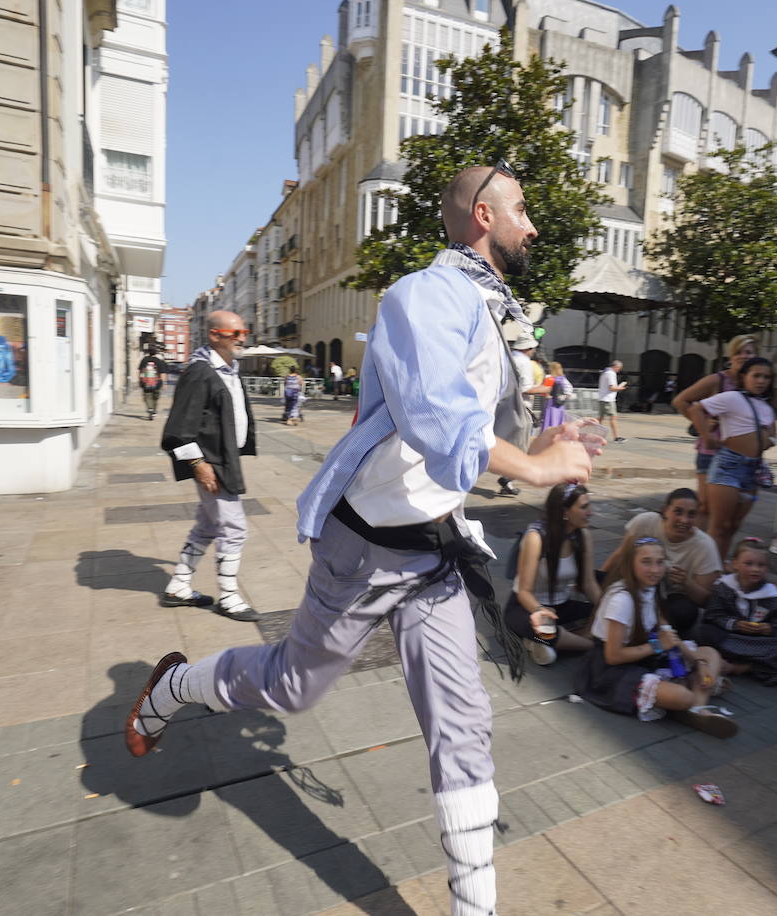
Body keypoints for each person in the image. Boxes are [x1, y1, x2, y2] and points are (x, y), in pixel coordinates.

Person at [124, 164, 594, 915]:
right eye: (523, 209)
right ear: (482, 214)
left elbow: (485, 419)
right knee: (292, 686)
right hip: (366, 547)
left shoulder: (488, 303)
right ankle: (173, 687)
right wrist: (538, 471)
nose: (533, 224)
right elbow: (438, 420)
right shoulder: (423, 296)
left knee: (462, 720)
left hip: (433, 548)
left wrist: (550, 433)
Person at [578, 535, 737, 738]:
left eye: (660, 562)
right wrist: (656, 646)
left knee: (710, 654)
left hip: (644, 656)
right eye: (646, 562)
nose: (655, 570)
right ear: (630, 563)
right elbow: (613, 656)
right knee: (682, 696)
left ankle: (697, 710)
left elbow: (668, 634)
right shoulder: (622, 600)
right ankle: (689, 702)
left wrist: (697, 661)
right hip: (611, 670)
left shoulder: (650, 589)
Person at [158, 310, 260, 622]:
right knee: (234, 528)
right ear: (215, 335)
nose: (242, 338)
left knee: (206, 526)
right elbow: (177, 428)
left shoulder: (229, 368)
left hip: (223, 458)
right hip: (212, 463)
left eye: (244, 332)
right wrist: (198, 464)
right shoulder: (200, 372)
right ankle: (228, 597)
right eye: (235, 333)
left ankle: (179, 586)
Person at [686, 356, 777, 559]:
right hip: (729, 466)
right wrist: (708, 437)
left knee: (734, 526)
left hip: (752, 470)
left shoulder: (767, 407)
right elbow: (696, 408)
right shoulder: (732, 398)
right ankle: (705, 569)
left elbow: (774, 435)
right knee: (720, 526)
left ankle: (718, 567)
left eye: (767, 377)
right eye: (756, 375)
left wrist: (767, 440)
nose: (761, 381)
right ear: (744, 376)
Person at [602, 488, 721, 639]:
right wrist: (602, 584)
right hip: (634, 586)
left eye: (691, 514)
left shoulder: (705, 545)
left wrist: (687, 583)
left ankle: (652, 634)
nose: (684, 520)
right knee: (599, 580)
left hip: (670, 598)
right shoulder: (645, 522)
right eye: (678, 512)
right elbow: (620, 556)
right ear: (665, 510)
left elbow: (706, 601)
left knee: (685, 612)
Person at [506, 482, 602, 666]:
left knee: (602, 616)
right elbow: (524, 592)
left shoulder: (583, 536)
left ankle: (552, 643)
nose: (591, 512)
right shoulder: (536, 537)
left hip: (562, 607)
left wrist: (607, 611)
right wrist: (539, 610)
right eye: (584, 507)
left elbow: (589, 584)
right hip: (527, 608)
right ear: (565, 512)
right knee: (545, 631)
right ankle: (589, 645)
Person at [672, 334, 758, 529]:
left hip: (742, 456)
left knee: (734, 512)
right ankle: (699, 551)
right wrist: (703, 426)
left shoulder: (755, 384)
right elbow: (680, 401)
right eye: (739, 352)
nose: (744, 356)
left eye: (749, 352)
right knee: (706, 507)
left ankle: (717, 551)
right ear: (731, 356)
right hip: (712, 452)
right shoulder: (718, 380)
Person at [699, 539, 777, 686]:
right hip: (730, 638)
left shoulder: (772, 596)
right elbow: (712, 615)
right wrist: (735, 624)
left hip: (758, 642)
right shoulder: (723, 587)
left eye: (761, 565)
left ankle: (742, 667)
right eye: (749, 564)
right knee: (703, 631)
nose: (755, 569)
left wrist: (769, 628)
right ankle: (750, 662)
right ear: (735, 564)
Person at [497, 335, 550, 497]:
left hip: (502, 405)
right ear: (529, 349)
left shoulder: (508, 358)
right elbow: (525, 389)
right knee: (521, 447)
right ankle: (507, 477)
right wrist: (546, 389)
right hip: (520, 409)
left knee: (504, 444)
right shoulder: (524, 362)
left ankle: (507, 480)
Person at [597, 359, 627, 442]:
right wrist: (621, 387)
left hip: (602, 398)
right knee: (613, 418)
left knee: (600, 418)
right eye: (619, 368)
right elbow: (612, 388)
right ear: (615, 366)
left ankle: (595, 434)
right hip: (608, 399)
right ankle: (616, 437)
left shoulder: (604, 372)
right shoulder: (611, 373)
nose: (619, 370)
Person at [137, 346, 169, 420]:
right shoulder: (159, 361)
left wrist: (139, 380)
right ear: (156, 353)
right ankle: (154, 411)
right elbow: (162, 373)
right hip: (157, 383)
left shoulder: (144, 360)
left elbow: (140, 371)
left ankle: (150, 408)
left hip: (146, 382)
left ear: (148, 352)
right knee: (155, 398)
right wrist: (164, 383)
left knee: (147, 396)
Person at [540, 360, 573, 429]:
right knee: (557, 422)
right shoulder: (563, 379)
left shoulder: (549, 378)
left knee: (549, 421)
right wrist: (563, 397)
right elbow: (569, 390)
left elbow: (544, 392)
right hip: (559, 405)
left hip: (550, 403)